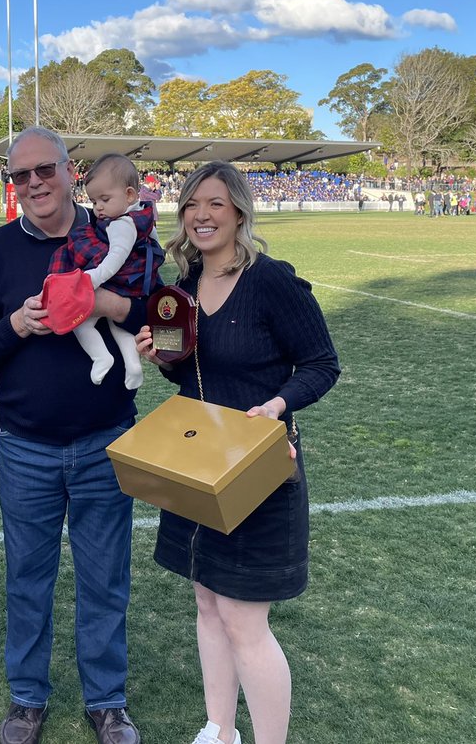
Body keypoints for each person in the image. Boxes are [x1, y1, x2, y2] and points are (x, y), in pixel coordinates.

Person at [135, 161, 340, 744]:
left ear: (240, 212)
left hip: (259, 468)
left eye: (215, 204)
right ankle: (219, 730)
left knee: (245, 622)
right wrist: (163, 358)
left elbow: (322, 364)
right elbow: (192, 377)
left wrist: (278, 404)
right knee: (207, 603)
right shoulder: (179, 288)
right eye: (191, 204)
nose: (201, 215)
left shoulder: (271, 281)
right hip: (197, 465)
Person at [0, 126, 147, 744]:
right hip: (26, 448)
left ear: (70, 172)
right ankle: (27, 699)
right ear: (13, 184)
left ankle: (107, 701)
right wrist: (16, 324)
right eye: (22, 175)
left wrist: (109, 306)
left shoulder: (114, 233)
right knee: (28, 579)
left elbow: (159, 308)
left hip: (106, 440)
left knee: (105, 578)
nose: (35, 182)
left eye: (45, 170)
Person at [46, 153, 163, 389]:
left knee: (81, 323)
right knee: (117, 323)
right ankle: (132, 364)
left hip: (117, 280)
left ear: (129, 194)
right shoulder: (141, 216)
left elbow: (114, 259)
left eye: (105, 199)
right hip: (133, 282)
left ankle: (101, 357)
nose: (98, 207)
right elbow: (156, 244)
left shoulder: (121, 224)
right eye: (93, 201)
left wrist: (91, 278)